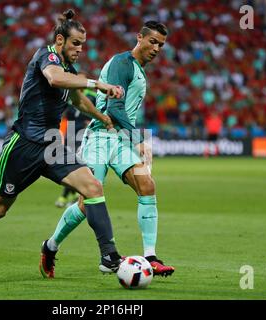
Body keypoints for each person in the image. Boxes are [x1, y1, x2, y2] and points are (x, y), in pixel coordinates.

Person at [0, 9, 125, 275]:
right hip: (24, 144)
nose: (79, 49)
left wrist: (103, 117)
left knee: (93, 188)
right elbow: (54, 78)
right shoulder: (47, 55)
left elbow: (77, 100)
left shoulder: (70, 70)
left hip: (53, 145)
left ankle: (110, 257)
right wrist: (96, 83)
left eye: (82, 45)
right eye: (75, 43)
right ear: (61, 40)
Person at [40, 21, 175, 278]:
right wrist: (138, 139)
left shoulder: (136, 69)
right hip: (100, 137)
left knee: (147, 184)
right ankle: (50, 246)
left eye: (161, 44)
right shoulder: (121, 64)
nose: (156, 48)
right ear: (139, 38)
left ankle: (151, 257)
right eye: (153, 41)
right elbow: (114, 109)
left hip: (120, 139)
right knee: (85, 204)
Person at [54, 89, 93, 208]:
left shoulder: (91, 98)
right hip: (70, 134)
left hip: (82, 135)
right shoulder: (70, 97)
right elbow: (65, 115)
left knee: (76, 165)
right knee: (70, 165)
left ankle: (68, 196)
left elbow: (96, 113)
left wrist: (90, 122)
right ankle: (72, 195)